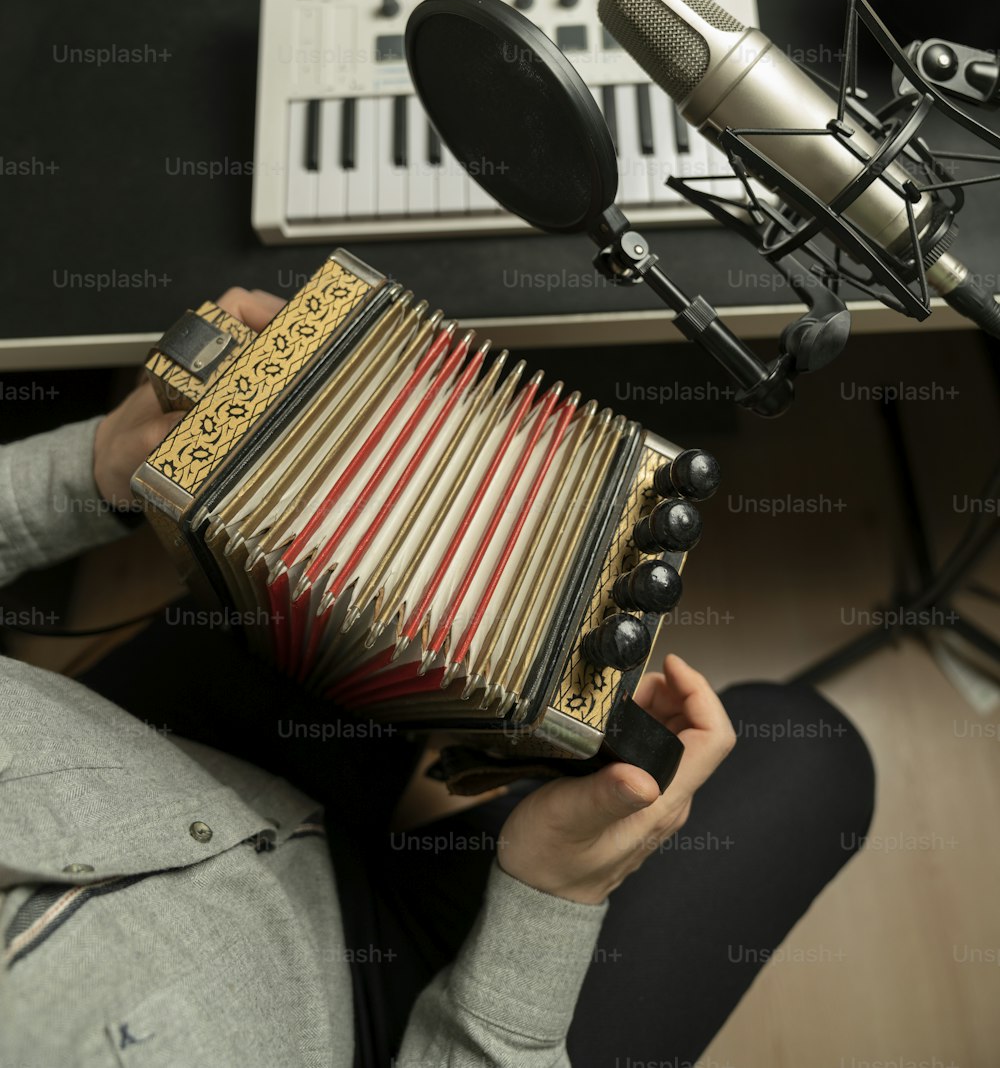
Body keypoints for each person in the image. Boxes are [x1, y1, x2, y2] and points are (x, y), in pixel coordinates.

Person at [0, 287, 875, 1068]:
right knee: (811, 757)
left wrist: (89, 473)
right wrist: (554, 897)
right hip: (373, 1023)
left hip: (145, 761)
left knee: (353, 500)